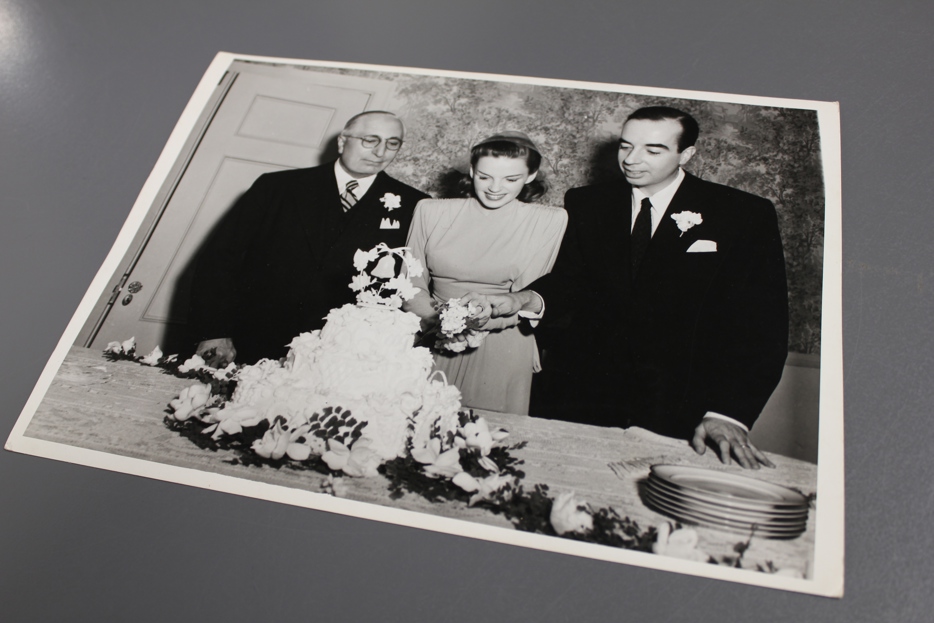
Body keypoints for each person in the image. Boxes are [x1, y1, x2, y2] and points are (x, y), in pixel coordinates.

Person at [486, 107, 788, 469]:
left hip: (679, 407)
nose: (632, 160)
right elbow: (570, 282)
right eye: (626, 146)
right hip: (580, 395)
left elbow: (763, 326)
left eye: (653, 150)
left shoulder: (741, 214)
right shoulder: (587, 202)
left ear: (686, 153)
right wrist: (526, 298)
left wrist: (730, 412)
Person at [188, 111, 429, 365]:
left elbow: (413, 285)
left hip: (339, 355)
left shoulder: (415, 205)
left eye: (392, 143)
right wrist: (214, 332)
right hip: (249, 340)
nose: (380, 152)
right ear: (342, 141)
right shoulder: (276, 187)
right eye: (370, 140)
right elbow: (219, 261)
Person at [404, 131, 567, 415]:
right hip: (431, 336)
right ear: (471, 171)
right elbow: (410, 283)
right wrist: (439, 322)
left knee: (485, 443)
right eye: (484, 176)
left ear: (531, 176)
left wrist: (466, 325)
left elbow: (523, 299)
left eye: (510, 179)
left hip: (501, 345)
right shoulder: (429, 211)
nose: (495, 188)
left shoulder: (549, 220)